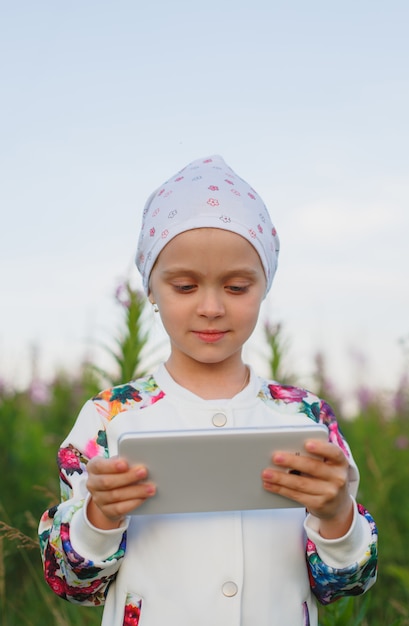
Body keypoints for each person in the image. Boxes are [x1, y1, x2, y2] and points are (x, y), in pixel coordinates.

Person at [39, 155, 377, 626]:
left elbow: (347, 584)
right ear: (151, 289)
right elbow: (70, 582)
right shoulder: (109, 418)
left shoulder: (306, 418)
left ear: (265, 286)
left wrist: (337, 516)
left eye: (237, 287)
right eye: (184, 285)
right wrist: (99, 517)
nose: (212, 307)